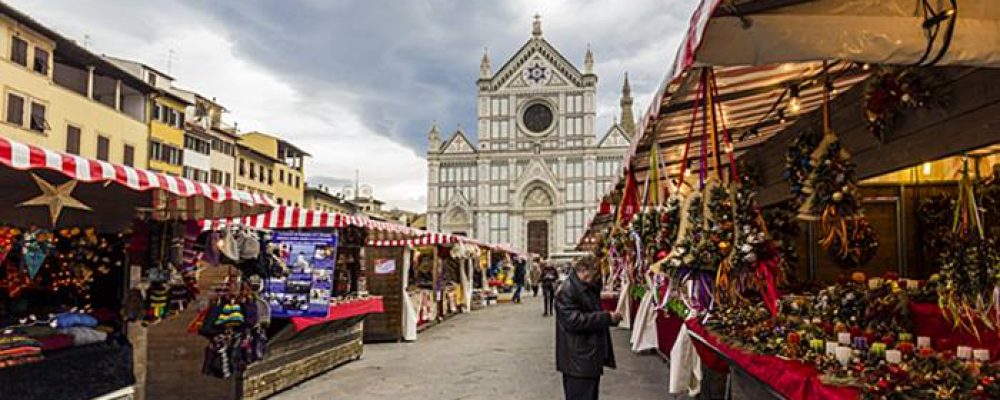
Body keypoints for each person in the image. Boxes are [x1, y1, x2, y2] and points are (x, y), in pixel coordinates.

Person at [556, 256, 620, 400]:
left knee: (589, 393)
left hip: (586, 355)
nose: (595, 278)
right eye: (594, 273)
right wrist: (606, 318)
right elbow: (573, 321)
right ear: (584, 271)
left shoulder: (584, 287)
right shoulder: (568, 290)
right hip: (579, 357)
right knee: (581, 394)